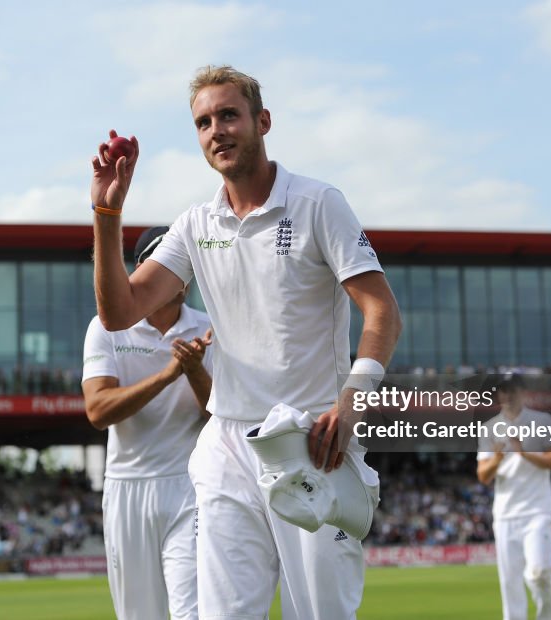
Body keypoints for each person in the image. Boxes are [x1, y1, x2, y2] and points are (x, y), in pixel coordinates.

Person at [88, 65, 402, 618]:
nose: (217, 131)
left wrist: (352, 403)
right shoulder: (194, 223)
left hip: (311, 438)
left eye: (229, 115)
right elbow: (119, 312)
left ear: (263, 121)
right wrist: (107, 212)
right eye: (204, 122)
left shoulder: (318, 202)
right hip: (227, 443)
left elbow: (382, 312)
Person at [81, 225, 213, 620]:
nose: (173, 277)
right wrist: (168, 375)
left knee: (193, 612)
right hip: (127, 489)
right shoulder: (105, 327)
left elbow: (220, 414)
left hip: (190, 486)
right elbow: (98, 411)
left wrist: (193, 371)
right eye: (162, 265)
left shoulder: (209, 328)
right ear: (140, 270)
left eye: (180, 268)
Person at [476, 373, 551, 620]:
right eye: (503, 390)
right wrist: (497, 459)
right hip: (505, 514)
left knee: (540, 572)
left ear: (523, 391)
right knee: (510, 584)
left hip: (537, 509)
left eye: (512, 389)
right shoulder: (490, 428)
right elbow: (483, 475)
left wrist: (524, 454)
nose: (507, 395)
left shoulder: (542, 420)